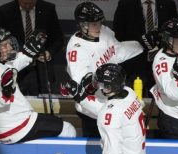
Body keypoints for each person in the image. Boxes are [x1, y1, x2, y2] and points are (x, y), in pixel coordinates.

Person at [62, 2, 157, 137]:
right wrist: (98, 81)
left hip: (113, 103)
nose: (98, 27)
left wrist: (141, 44)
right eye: (94, 24)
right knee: (98, 149)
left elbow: (118, 52)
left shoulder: (104, 32)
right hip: (94, 110)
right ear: (82, 25)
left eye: (99, 22)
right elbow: (81, 87)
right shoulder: (77, 50)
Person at [0, 27, 76, 144]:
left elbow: (13, 65)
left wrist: (29, 52)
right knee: (67, 129)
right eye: (4, 45)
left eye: (9, 43)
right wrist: (6, 91)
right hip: (14, 127)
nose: (10, 47)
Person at [75, 63, 146, 154]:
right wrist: (81, 98)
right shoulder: (129, 93)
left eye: (100, 84)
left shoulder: (109, 115)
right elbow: (109, 110)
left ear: (108, 87)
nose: (98, 86)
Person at [0, 0, 64, 95]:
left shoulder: (48, 9)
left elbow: (58, 39)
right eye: (24, 3)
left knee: (42, 108)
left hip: (40, 70)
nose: (28, 6)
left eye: (31, 3)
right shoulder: (5, 11)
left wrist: (49, 53)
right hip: (15, 69)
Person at [113, 0, 178, 97]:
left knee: (161, 99)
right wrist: (140, 41)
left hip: (161, 63)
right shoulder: (125, 3)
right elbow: (118, 35)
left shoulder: (168, 3)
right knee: (135, 99)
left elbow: (175, 32)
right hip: (134, 64)